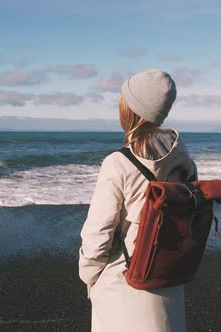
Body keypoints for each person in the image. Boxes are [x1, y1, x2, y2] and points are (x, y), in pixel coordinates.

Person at [78, 69, 198, 332]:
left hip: (123, 289)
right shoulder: (184, 163)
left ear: (132, 109)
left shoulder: (118, 163)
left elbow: (98, 235)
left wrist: (89, 276)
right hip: (169, 280)